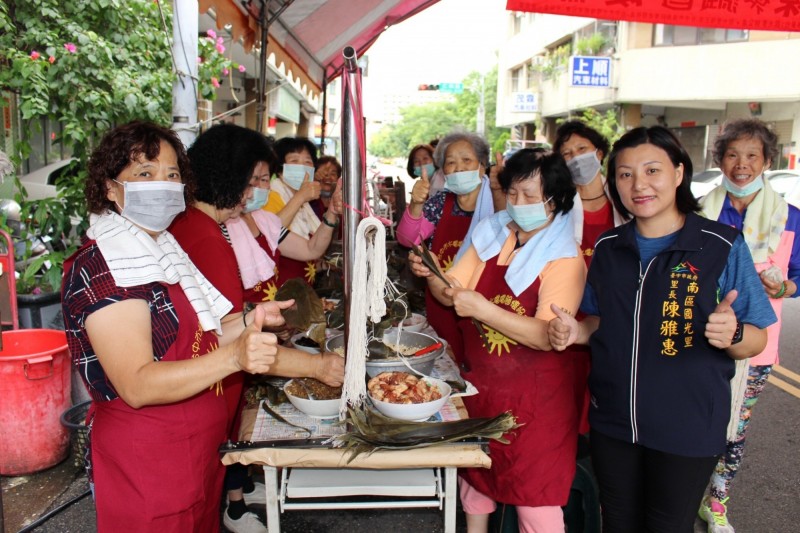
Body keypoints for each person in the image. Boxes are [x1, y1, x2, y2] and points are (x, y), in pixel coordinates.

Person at [61, 121, 291, 531]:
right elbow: (137, 383)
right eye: (145, 174)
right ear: (111, 188)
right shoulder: (102, 267)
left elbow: (205, 332)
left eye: (171, 175)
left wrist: (250, 319)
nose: (162, 185)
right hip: (148, 459)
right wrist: (234, 357)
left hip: (197, 451)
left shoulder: (165, 248)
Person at [548, 126, 776, 533]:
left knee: (666, 526)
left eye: (652, 170)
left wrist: (734, 334)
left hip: (687, 427)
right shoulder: (608, 247)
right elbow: (598, 321)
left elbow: (756, 338)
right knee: (617, 522)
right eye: (625, 174)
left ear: (678, 173)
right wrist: (576, 332)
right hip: (614, 421)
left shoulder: (720, 245)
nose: (639, 185)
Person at [170, 124, 344, 533]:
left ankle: (235, 489)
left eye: (263, 181)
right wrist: (316, 367)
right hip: (211, 373)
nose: (254, 193)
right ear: (228, 176)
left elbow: (237, 322)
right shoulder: (206, 235)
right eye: (251, 182)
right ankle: (232, 503)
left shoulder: (218, 224)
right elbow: (230, 332)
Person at [411, 148, 586, 532]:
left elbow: (547, 336)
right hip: (484, 388)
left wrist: (483, 310)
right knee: (476, 482)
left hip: (537, 403)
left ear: (555, 202)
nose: (518, 204)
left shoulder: (565, 257)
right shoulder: (492, 232)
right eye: (513, 193)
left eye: (530, 196)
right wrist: (433, 274)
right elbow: (452, 290)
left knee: (536, 502)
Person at [697, 118, 800, 532]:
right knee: (692, 418)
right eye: (732, 155)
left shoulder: (790, 217)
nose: (742, 164)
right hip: (698, 334)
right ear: (720, 159)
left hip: (758, 340)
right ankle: (683, 490)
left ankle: (717, 501)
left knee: (735, 428)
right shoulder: (701, 210)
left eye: (752, 156)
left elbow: (799, 274)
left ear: (766, 161)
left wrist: (787, 284)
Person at [396, 131, 499, 365]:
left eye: (466, 160)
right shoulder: (441, 202)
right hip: (441, 303)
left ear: (482, 167)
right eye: (450, 162)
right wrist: (416, 204)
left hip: (482, 306)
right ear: (443, 171)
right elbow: (407, 239)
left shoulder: (497, 203)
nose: (459, 168)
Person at [263, 137, 340, 287]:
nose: (302, 167)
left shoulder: (306, 202)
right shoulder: (270, 196)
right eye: (294, 161)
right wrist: (300, 197)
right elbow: (271, 236)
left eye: (307, 162)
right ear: (280, 169)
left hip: (301, 288)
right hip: (278, 290)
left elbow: (311, 249)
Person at [553, 120, 627, 266]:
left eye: (582, 149)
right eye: (567, 154)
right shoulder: (557, 203)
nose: (576, 157)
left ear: (599, 153)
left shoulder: (623, 198)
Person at [311, 155, 341, 219]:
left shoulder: (343, 203)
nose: (328, 177)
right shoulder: (308, 203)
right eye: (324, 173)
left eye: (333, 174)